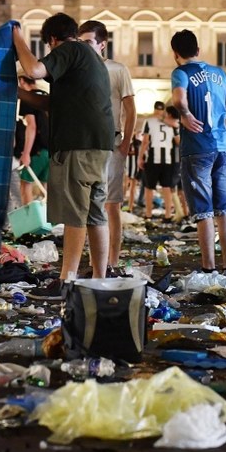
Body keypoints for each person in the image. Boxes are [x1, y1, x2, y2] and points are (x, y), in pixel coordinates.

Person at [13, 13, 115, 284]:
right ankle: (99, 277)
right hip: (98, 143)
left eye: (48, 46)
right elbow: (52, 104)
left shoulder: (70, 49)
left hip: (78, 143)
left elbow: (34, 70)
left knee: (75, 212)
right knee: (94, 212)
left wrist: (18, 38)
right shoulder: (89, 57)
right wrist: (18, 93)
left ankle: (66, 280)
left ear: (53, 40)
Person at [170, 29, 226, 273]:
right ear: (198, 50)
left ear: (176, 54)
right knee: (225, 209)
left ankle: (209, 268)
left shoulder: (181, 73)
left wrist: (185, 114)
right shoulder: (220, 73)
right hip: (222, 147)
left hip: (197, 149)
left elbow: (178, 100)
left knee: (204, 211)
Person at [78, 20, 136, 275]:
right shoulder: (78, 70)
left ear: (102, 45)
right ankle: (96, 261)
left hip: (112, 143)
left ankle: (112, 260)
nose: (85, 47)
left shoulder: (117, 70)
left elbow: (130, 108)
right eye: (81, 43)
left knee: (111, 204)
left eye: (89, 42)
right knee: (87, 205)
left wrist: (125, 143)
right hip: (85, 144)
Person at [138, 101, 177, 221]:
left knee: (149, 187)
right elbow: (177, 141)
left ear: (154, 109)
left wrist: (140, 157)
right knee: (166, 187)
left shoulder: (149, 122)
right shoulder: (172, 123)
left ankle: (148, 214)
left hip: (153, 158)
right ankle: (168, 215)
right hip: (168, 159)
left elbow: (145, 141)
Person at [15, 75, 50, 205]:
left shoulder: (28, 98)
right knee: (46, 187)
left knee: (25, 185)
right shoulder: (45, 95)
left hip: (37, 150)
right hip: (51, 149)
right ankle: (51, 221)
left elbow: (32, 125)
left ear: (22, 81)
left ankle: (30, 222)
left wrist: (26, 153)